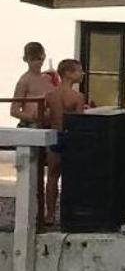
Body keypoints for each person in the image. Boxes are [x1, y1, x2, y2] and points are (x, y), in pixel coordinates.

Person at [10, 43, 57, 217]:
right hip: (31, 127)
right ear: (26, 60)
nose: (38, 62)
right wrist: (33, 118)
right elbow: (15, 110)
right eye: (34, 59)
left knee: (51, 170)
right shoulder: (24, 81)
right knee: (33, 173)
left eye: (40, 58)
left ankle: (47, 212)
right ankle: (31, 213)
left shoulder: (46, 80)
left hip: (47, 126)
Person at [43, 60, 90, 230]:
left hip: (54, 136)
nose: (82, 74)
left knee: (52, 176)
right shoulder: (77, 97)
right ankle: (68, 213)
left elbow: (44, 116)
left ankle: (49, 215)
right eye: (79, 71)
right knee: (71, 178)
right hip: (70, 137)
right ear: (69, 73)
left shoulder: (50, 95)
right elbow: (79, 121)